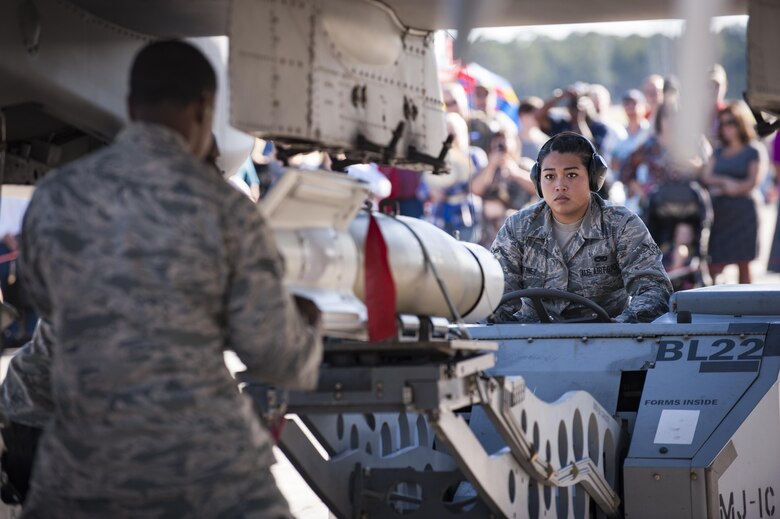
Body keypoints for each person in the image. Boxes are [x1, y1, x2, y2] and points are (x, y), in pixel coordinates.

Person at [15, 40, 322, 517]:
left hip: (80, 478)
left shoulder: (56, 197)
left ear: (130, 108)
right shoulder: (227, 212)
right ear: (204, 108)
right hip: (205, 477)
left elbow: (46, 303)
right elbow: (278, 360)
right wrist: (306, 326)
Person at [491, 132, 672, 323]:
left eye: (571, 175)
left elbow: (654, 289)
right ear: (538, 181)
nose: (560, 185)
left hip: (607, 344)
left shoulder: (620, 224)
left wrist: (619, 327)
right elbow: (496, 298)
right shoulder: (517, 228)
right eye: (550, 176)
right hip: (530, 344)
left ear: (594, 177)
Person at [702, 101, 766, 284]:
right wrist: (725, 182)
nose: (727, 128)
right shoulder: (719, 151)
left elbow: (751, 183)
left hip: (744, 213)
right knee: (714, 263)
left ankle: (747, 305)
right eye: (722, 123)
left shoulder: (754, 150)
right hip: (720, 213)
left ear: (741, 123)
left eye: (731, 122)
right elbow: (707, 176)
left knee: (743, 264)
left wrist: (728, 187)